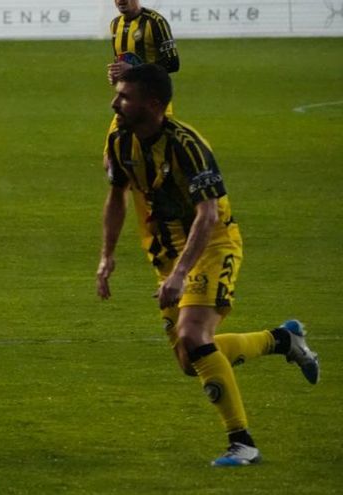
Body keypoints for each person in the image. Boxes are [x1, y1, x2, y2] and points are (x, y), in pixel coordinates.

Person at [96, 64, 319, 466]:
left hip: (211, 244)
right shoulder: (118, 138)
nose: (115, 102)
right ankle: (283, 341)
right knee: (190, 359)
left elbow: (208, 215)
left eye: (124, 96)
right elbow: (117, 196)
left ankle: (243, 443)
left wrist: (182, 274)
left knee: (194, 336)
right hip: (165, 255)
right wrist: (107, 255)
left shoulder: (188, 146)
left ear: (153, 104)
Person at [104, 0, 179, 166]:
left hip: (154, 104)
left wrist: (134, 68)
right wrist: (116, 76)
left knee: (157, 163)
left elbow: (173, 63)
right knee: (111, 159)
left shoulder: (155, 22)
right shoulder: (115, 25)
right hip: (128, 103)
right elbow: (122, 62)